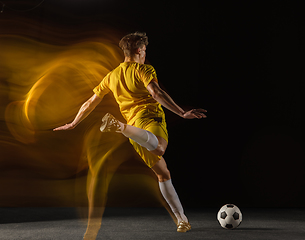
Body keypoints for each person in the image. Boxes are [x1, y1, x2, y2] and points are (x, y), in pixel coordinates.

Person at [53, 32, 207, 233]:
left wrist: (73, 123)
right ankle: (120, 127)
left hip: (135, 131)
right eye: (144, 51)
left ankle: (182, 220)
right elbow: (156, 93)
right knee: (160, 148)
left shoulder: (112, 75)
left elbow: (91, 102)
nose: (145, 54)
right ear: (138, 51)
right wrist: (182, 112)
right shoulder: (142, 69)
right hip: (148, 120)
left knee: (162, 172)